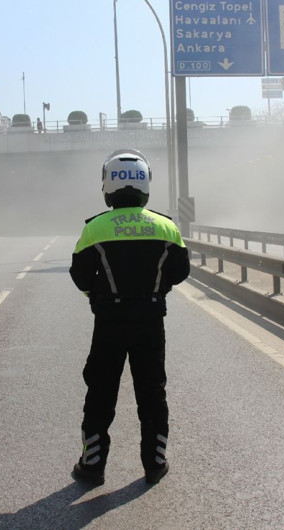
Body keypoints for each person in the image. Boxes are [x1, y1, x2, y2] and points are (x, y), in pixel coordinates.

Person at [69, 149, 190, 486]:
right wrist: (157, 287)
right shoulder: (166, 227)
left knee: (101, 391)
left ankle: (93, 466)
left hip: (108, 322)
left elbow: (80, 275)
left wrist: (98, 296)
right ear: (145, 184)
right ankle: (154, 463)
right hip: (151, 321)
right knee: (152, 392)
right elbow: (181, 271)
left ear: (108, 185)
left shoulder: (95, 228)